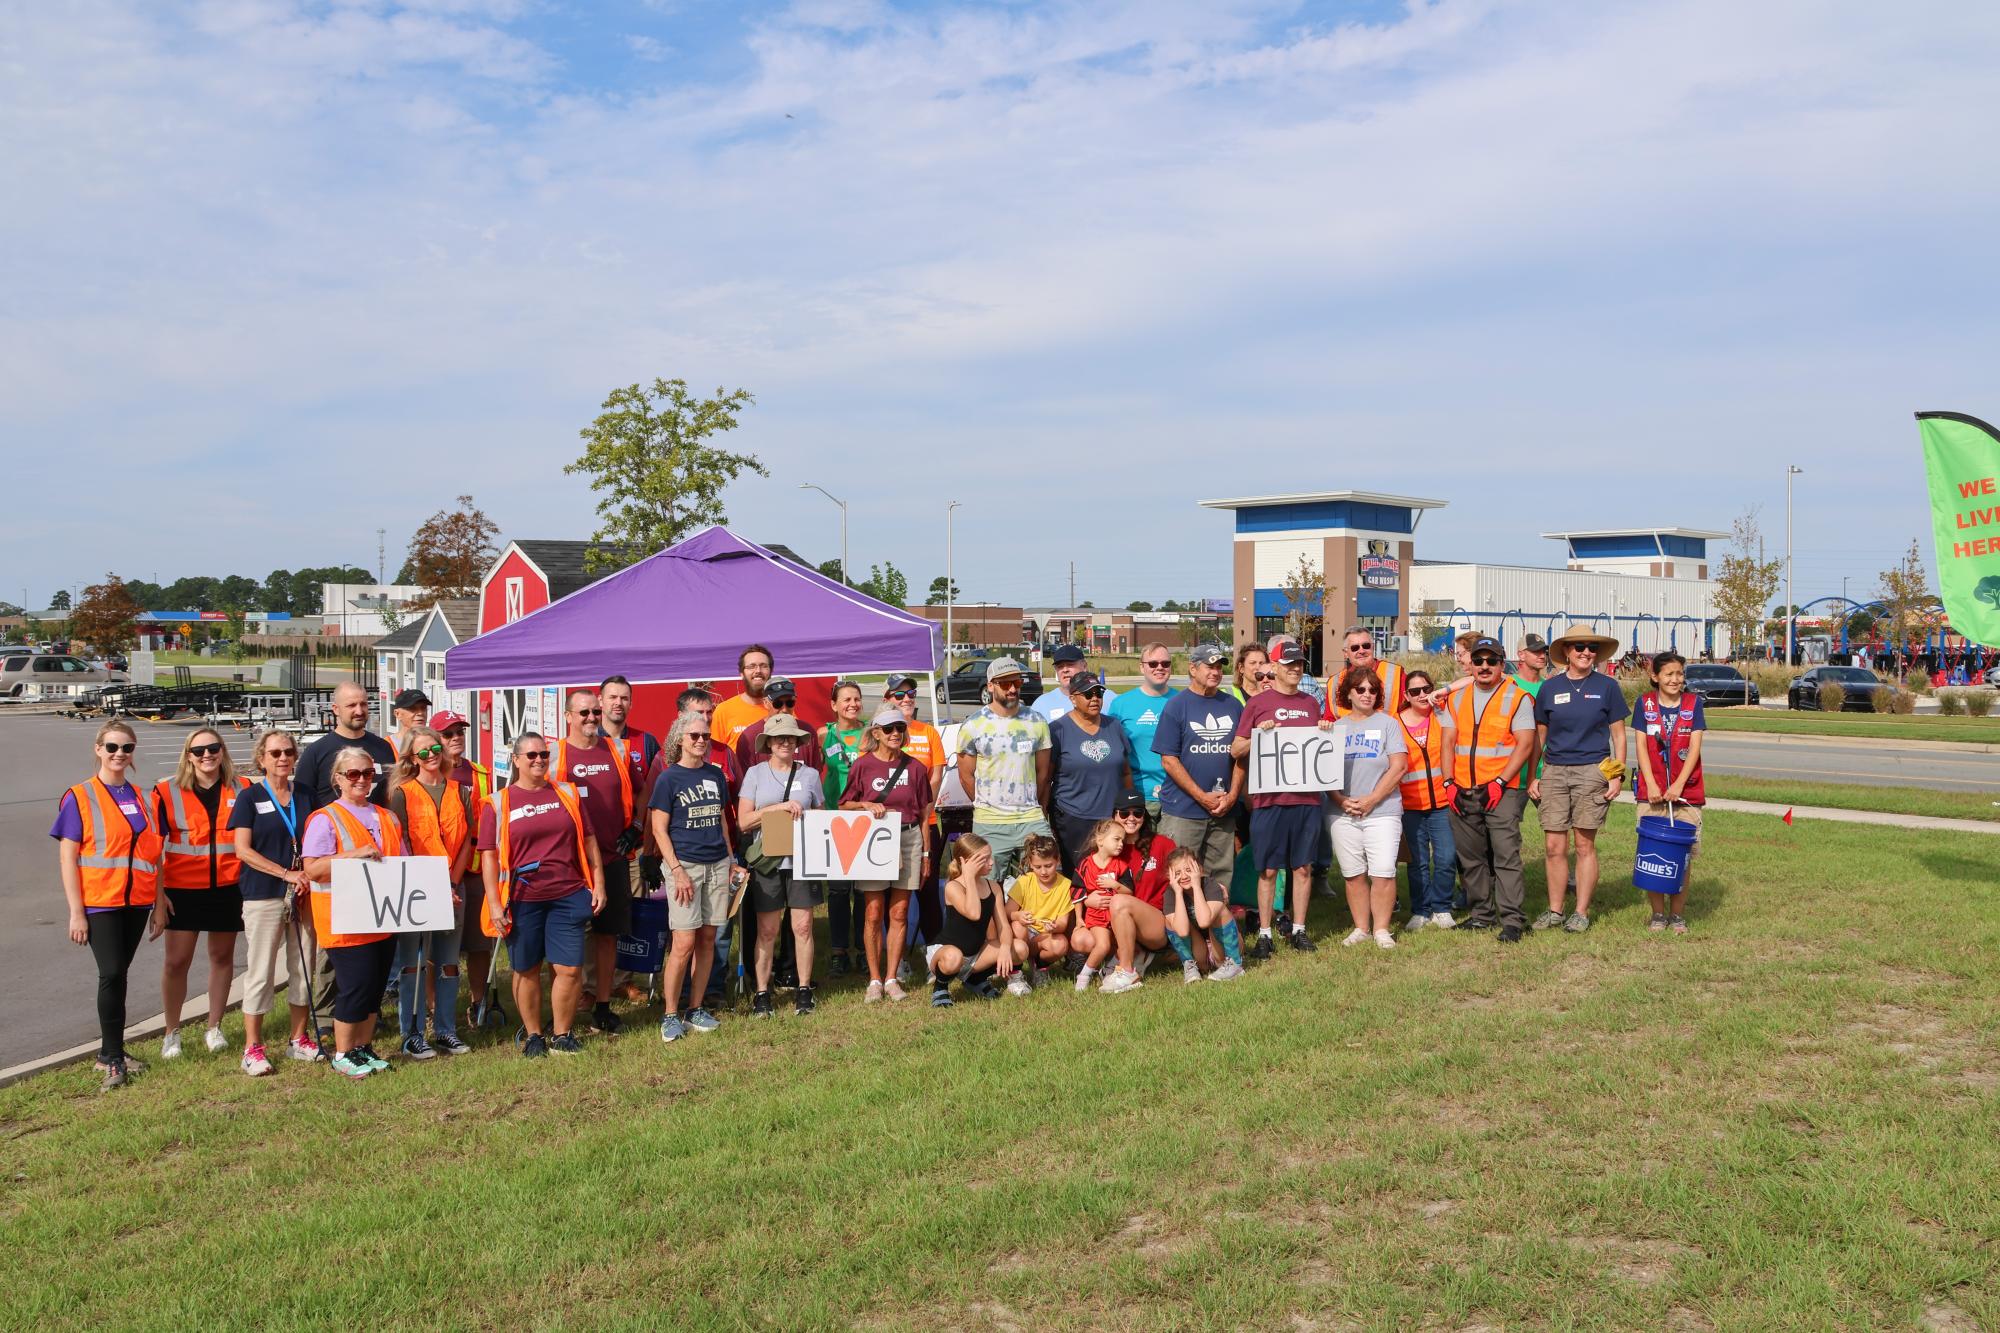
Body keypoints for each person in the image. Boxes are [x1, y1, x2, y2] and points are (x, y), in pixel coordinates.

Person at [478, 733, 605, 1058]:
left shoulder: (567, 793)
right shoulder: (498, 802)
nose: (539, 760)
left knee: (570, 969)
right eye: (531, 755)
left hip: (568, 893)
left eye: (544, 755)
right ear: (517, 760)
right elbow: (489, 856)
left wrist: (599, 883)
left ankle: (562, 1034)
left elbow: (589, 840)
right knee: (526, 969)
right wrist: (494, 902)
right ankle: (534, 1035)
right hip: (521, 899)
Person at [54, 720, 165, 1090]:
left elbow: (155, 854)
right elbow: (68, 858)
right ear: (98, 749)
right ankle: (113, 1058)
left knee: (120, 975)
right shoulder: (80, 796)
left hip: (137, 902)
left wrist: (159, 901)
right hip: (100, 901)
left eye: (127, 748)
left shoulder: (143, 797)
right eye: (113, 747)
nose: (120, 754)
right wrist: (76, 911)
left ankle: (109, 1051)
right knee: (112, 972)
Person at [301, 749, 407, 1078]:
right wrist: (353, 855)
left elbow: (403, 863)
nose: (362, 780)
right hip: (343, 920)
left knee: (375, 987)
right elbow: (313, 869)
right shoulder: (325, 818)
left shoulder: (387, 817)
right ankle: (343, 1052)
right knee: (356, 986)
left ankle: (363, 1047)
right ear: (338, 779)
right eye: (353, 774)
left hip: (383, 917)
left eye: (367, 773)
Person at [549, 688, 647, 1033]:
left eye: (594, 712)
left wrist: (636, 826)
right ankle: (564, 1006)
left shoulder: (617, 748)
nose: (591, 718)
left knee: (608, 936)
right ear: (567, 717)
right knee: (568, 935)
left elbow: (642, 790)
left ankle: (603, 1005)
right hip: (569, 863)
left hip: (613, 855)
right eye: (583, 713)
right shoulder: (553, 754)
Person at [151, 728, 250, 1059]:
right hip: (183, 890)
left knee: (222, 959)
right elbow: (153, 850)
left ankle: (214, 1027)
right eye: (198, 751)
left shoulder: (244, 787)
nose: (207, 755)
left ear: (222, 751)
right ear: (188, 756)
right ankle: (171, 1032)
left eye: (213, 748)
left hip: (228, 888)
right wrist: (158, 896)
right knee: (176, 962)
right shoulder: (166, 791)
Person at [229, 728, 320, 1073]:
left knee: (302, 967)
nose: (283, 758)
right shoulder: (250, 798)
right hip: (264, 894)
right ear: (261, 759)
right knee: (261, 971)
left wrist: (307, 875)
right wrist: (285, 873)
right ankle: (252, 1047)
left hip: (303, 892)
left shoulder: (307, 795)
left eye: (288, 752)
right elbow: (243, 850)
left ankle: (299, 1039)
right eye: (275, 753)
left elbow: (319, 840)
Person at [1230, 641, 1324, 956]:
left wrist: (1325, 730)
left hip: (1306, 800)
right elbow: (1236, 749)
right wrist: (1260, 735)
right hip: (1269, 801)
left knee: (1302, 868)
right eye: (1289, 664)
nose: (1295, 669)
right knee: (1268, 870)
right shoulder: (1257, 704)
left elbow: (1320, 750)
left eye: (1299, 664)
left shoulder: (1311, 703)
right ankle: (1266, 933)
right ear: (1275, 667)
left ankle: (1299, 929)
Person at [1530, 630, 1626, 934]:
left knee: (1585, 845)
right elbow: (1539, 737)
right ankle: (1555, 910)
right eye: (1580, 647)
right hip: (1555, 770)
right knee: (1554, 845)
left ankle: (1581, 912)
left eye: (1592, 648)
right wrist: (1535, 774)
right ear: (1567, 651)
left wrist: (1616, 775)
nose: (1586, 652)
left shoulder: (1608, 687)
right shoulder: (1550, 688)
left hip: (1592, 771)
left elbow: (1619, 736)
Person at [386, 727, 475, 1058]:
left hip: (454, 885)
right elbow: (401, 841)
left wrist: (452, 882)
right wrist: (431, 883)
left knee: (449, 962)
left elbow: (467, 840)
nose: (431, 755)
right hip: (417, 886)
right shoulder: (402, 794)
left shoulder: (461, 791)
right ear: (411, 757)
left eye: (434, 748)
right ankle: (411, 1033)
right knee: (414, 963)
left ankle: (446, 1030)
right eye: (422, 751)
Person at [649, 714, 733, 1042]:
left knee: (708, 939)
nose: (701, 740)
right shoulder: (669, 779)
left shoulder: (715, 775)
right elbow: (658, 828)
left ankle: (695, 1009)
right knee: (683, 942)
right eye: (694, 735)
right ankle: (670, 1014)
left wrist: (730, 859)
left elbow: (722, 821)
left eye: (705, 735)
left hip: (717, 865)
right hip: (686, 866)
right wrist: (677, 870)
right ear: (680, 739)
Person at [1446, 638, 1535, 943]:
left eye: (1491, 660)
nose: (1484, 666)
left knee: (1505, 856)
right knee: (1471, 858)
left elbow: (1525, 745)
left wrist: (1500, 782)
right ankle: (1481, 915)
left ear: (1502, 663)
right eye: (1479, 660)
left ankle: (1512, 920)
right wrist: (1448, 783)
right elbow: (1448, 742)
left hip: (1501, 791)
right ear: (1470, 663)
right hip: (1462, 789)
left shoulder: (1517, 697)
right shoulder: (1457, 699)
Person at [840, 706, 932, 1002]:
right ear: (876, 732)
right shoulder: (863, 766)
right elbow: (843, 805)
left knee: (900, 912)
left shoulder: (916, 768)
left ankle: (892, 977)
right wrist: (865, 805)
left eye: (900, 728)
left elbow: (923, 814)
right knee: (873, 912)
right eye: (889, 729)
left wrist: (927, 854)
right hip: (874, 841)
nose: (896, 734)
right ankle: (874, 979)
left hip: (908, 838)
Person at [737, 715, 825, 1017]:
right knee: (767, 930)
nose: (785, 742)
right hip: (769, 862)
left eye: (791, 737)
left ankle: (803, 989)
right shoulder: (755, 774)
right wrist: (778, 808)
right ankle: (762, 992)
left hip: (802, 859)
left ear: (798, 742)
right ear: (769, 743)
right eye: (778, 738)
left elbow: (821, 817)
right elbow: (744, 821)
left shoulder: (811, 775)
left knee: (802, 926)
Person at [1153, 643, 1243, 917]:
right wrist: (1201, 796)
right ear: (1193, 669)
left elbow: (1241, 756)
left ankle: (1217, 934)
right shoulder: (1177, 706)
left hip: (1223, 808)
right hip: (1184, 809)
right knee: (1179, 872)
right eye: (1209, 666)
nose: (1215, 672)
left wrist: (1233, 795)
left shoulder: (1232, 705)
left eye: (1219, 667)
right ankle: (1182, 933)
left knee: (1219, 874)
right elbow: (1169, 759)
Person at [1325, 667, 1409, 949]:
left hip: (1382, 810)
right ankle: (1361, 927)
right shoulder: (1336, 727)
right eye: (1360, 689)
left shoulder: (1388, 724)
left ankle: (1382, 929)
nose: (1367, 694)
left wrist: (1372, 799)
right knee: (1353, 873)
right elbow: (1322, 773)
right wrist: (1339, 800)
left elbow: (1399, 766)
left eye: (1373, 690)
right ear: (1348, 693)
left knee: (1383, 871)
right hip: (1342, 812)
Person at [955, 657, 1053, 882]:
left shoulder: (1037, 721)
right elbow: (965, 776)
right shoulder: (973, 725)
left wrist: (1032, 804)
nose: (1012, 689)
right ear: (990, 685)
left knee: (1046, 883)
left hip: (1030, 817)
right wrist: (987, 805)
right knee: (986, 889)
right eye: (1005, 683)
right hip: (990, 822)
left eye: (1017, 683)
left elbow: (1043, 773)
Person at [1629, 651, 1707, 935]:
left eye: (1679, 674)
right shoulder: (1644, 704)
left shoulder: (1693, 703)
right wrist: (1651, 784)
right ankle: (1657, 914)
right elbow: (1640, 747)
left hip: (1686, 794)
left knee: (1682, 857)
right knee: (1653, 855)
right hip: (1652, 793)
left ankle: (1677, 915)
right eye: (1669, 674)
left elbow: (1695, 748)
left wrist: (1678, 786)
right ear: (1655, 677)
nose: (1676, 680)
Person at [435, 710, 499, 1028]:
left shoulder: (481, 774)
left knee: (478, 944)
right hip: (437, 872)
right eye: (449, 733)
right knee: (437, 947)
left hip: (474, 871)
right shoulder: (428, 776)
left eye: (460, 730)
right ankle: (434, 1008)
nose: (457, 736)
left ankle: (478, 1004)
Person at [1045, 671, 1133, 873]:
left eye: (1098, 694)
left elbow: (1126, 773)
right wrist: (1045, 815)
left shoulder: (1114, 726)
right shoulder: (1058, 729)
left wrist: (1129, 806)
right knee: (1078, 875)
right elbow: (1046, 778)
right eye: (1088, 694)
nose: (1094, 698)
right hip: (1073, 817)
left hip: (1111, 817)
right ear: (1073, 698)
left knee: (1112, 873)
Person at [1394, 669, 1457, 933]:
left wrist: (1445, 691)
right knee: (1417, 862)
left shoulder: (1442, 714)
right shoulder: (1393, 722)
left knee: (1446, 857)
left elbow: (1469, 681)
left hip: (1442, 802)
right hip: (1410, 806)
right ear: (1406, 695)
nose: (1421, 695)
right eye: (1415, 691)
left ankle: (1442, 907)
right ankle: (1421, 910)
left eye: (1426, 689)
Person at [928, 834, 1018, 1007]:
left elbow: (1003, 926)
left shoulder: (993, 886)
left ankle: (975, 979)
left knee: (1019, 948)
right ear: (966, 862)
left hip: (975, 955)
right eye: (984, 859)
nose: (991, 862)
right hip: (946, 953)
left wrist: (1006, 948)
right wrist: (969, 877)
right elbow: (974, 913)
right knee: (954, 956)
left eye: (990, 856)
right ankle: (941, 987)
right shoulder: (953, 887)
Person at [818, 680, 870, 979]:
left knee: (864, 890)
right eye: (846, 699)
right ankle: (838, 952)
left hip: (863, 817)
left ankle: (864, 950)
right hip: (834, 818)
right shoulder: (824, 733)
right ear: (834, 705)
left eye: (857, 698)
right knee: (838, 891)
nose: (852, 703)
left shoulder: (871, 734)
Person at [1069, 819, 1145, 993]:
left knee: (1130, 949)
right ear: (1100, 840)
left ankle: (1113, 971)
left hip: (1117, 919)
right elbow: (1076, 892)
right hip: (1097, 917)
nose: (1121, 844)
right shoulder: (1085, 865)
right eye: (1116, 839)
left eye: (1123, 841)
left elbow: (1129, 892)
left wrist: (1115, 885)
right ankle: (1084, 975)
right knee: (1102, 945)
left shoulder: (1121, 866)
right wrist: (1079, 919)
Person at [1107, 643, 1178, 816]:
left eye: (1165, 664)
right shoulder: (1121, 704)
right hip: (1138, 795)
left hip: (1177, 794)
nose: (1160, 668)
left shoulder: (1182, 701)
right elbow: (1115, 753)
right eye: (1153, 664)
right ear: (1142, 667)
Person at [1159, 847, 1244, 982]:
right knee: (1171, 920)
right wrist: (1178, 894)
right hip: (1201, 952)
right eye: (1178, 873)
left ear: (1199, 869)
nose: (1185, 876)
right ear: (1170, 876)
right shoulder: (1171, 893)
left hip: (1223, 948)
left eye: (1189, 870)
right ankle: (1190, 966)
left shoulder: (1210, 885)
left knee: (1220, 910)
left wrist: (1197, 886)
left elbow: (1204, 921)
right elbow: (1181, 931)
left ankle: (1234, 965)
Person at [1005, 833, 1074, 987]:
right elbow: (1007, 912)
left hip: (1045, 935)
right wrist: (1018, 915)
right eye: (1038, 867)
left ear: (1058, 861)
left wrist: (1055, 926)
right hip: (1024, 934)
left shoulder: (1065, 885)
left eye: (1048, 865)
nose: (1043, 871)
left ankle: (1040, 965)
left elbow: (1063, 923)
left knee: (1061, 944)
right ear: (1030, 863)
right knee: (1017, 926)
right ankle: (1016, 972)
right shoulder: (1024, 881)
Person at [733, 676, 824, 773]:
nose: (784, 709)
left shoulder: (807, 732)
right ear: (765, 703)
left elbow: (814, 775)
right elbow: (744, 781)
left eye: (790, 703)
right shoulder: (750, 736)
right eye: (777, 704)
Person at [1325, 626, 1407, 717]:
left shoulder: (1397, 674)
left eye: (1366, 646)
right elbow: (1329, 719)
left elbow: (1409, 713)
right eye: (1355, 648)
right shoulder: (1334, 682)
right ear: (1345, 653)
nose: (1361, 651)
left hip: (1387, 730)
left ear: (1373, 647)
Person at [711, 644, 775, 751]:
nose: (758, 670)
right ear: (742, 673)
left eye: (764, 666)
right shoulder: (724, 711)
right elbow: (716, 755)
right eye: (751, 666)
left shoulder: (781, 708)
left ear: (770, 672)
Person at [1032, 644, 1119, 722]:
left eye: (1070, 664)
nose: (1065, 670)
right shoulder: (1042, 704)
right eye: (1060, 667)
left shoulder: (1109, 699)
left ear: (1084, 666)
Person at [1266, 634, 1327, 707]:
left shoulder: (1308, 682)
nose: (1296, 668)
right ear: (1270, 656)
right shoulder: (1262, 679)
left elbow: (1322, 713)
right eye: (1289, 662)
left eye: (1298, 663)